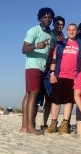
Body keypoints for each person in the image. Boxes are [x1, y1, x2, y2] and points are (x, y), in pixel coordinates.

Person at [20, 7, 55, 135]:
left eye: (49, 17)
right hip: (32, 65)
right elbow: (23, 49)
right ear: (40, 18)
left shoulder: (50, 34)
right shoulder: (33, 30)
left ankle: (24, 127)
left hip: (43, 67)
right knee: (33, 93)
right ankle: (30, 127)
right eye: (45, 17)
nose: (47, 19)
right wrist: (36, 45)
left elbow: (52, 49)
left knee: (29, 94)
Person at [45, 23, 81, 135]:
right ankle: (53, 123)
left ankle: (65, 124)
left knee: (69, 101)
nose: (71, 32)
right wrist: (52, 73)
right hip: (59, 75)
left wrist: (78, 76)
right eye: (69, 30)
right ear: (67, 31)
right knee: (56, 101)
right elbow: (54, 59)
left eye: (74, 30)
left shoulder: (79, 44)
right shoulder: (61, 43)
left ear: (77, 31)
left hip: (73, 77)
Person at [39, 16, 65, 131]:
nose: (59, 26)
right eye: (57, 24)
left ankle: (50, 123)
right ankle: (42, 123)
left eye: (61, 24)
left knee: (51, 98)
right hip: (44, 70)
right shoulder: (48, 34)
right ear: (53, 24)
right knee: (41, 98)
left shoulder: (63, 38)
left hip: (56, 71)